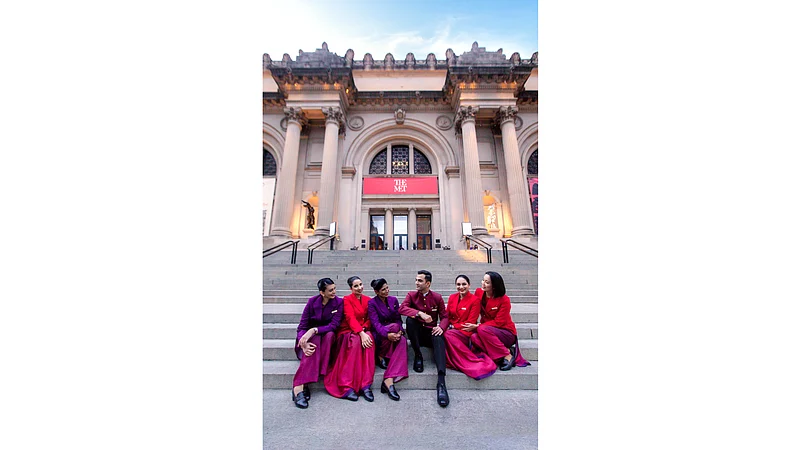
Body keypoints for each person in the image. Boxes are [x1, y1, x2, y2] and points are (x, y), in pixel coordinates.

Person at [399, 270, 450, 407]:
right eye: (416, 280)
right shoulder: (411, 295)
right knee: (410, 321)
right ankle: (418, 355)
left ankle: (441, 382)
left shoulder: (437, 297)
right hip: (416, 334)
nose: (416, 283)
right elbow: (402, 308)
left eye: (420, 281)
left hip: (431, 332)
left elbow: (445, 317)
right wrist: (419, 313)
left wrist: (441, 327)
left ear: (428, 283)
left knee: (439, 337)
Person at [291, 278, 343, 409]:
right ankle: (298, 387)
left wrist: (314, 330)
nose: (334, 292)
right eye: (330, 290)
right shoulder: (312, 302)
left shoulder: (339, 303)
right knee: (313, 342)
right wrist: (303, 341)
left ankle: (303, 383)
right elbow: (302, 326)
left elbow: (334, 325)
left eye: (335, 289)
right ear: (322, 292)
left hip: (326, 338)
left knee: (328, 335)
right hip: (311, 339)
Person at [323, 276, 376, 402]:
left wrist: (363, 330)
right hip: (348, 331)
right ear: (351, 288)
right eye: (356, 286)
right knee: (355, 341)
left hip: (362, 329)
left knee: (370, 341)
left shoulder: (368, 300)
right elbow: (350, 318)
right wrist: (360, 333)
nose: (359, 288)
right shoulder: (346, 300)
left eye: (361, 284)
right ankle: (347, 385)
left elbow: (370, 318)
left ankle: (366, 385)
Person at [467, 271, 531, 371]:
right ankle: (505, 352)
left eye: (487, 282)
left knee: (482, 329)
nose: (483, 283)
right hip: (486, 331)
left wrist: (477, 326)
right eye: (483, 280)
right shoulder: (479, 292)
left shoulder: (504, 300)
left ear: (494, 286)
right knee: (474, 338)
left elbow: (499, 322)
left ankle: (507, 356)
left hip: (505, 332)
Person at [442, 275, 497, 380]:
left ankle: (468, 361)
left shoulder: (475, 300)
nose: (461, 287)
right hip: (452, 330)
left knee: (447, 334)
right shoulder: (452, 297)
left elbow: (470, 322)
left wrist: (453, 326)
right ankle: (456, 360)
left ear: (469, 285)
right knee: (444, 334)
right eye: (458, 284)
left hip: (466, 332)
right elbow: (447, 316)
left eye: (464, 284)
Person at [366, 278, 408, 401]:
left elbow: (398, 319)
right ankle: (381, 355)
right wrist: (387, 334)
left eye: (387, 288)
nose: (386, 291)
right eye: (383, 290)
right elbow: (375, 324)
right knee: (393, 327)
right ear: (376, 292)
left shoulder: (393, 300)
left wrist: (400, 330)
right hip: (380, 334)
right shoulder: (372, 303)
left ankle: (388, 380)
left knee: (403, 340)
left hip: (395, 333)